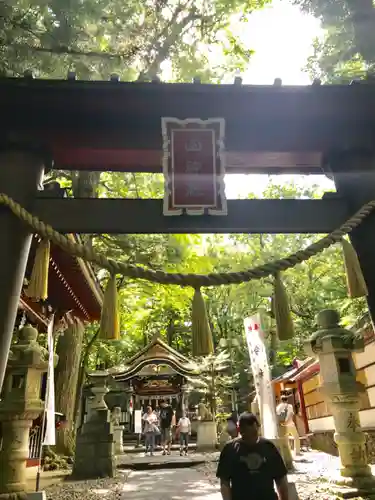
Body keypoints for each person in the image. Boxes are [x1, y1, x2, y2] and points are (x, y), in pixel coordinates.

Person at [216, 412, 289, 500]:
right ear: (240, 430)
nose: (251, 438)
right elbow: (224, 482)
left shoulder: (269, 447)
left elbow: (280, 479)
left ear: (257, 428)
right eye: (246, 434)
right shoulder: (230, 449)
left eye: (254, 434)